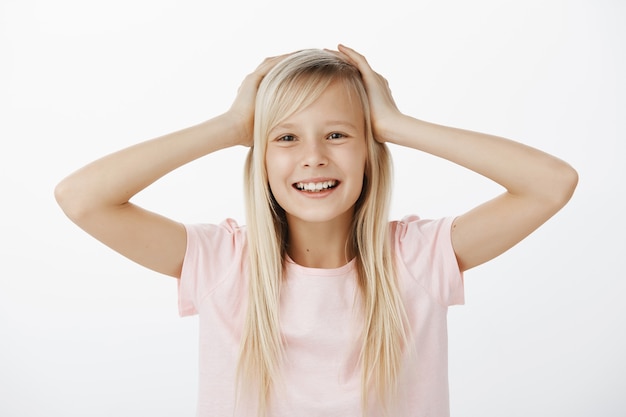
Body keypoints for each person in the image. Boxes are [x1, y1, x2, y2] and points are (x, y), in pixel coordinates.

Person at [55, 45, 578, 416]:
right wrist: (233, 126)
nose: (313, 157)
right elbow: (81, 198)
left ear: (370, 151)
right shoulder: (222, 263)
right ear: (259, 156)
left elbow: (551, 183)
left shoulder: (417, 260)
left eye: (337, 133)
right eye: (285, 137)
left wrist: (395, 124)